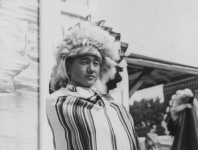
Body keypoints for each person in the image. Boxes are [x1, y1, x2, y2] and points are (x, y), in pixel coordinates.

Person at [46, 15, 142, 150]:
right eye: (84, 62)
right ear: (68, 67)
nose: (91, 69)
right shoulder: (59, 100)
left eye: (96, 63)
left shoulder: (116, 108)